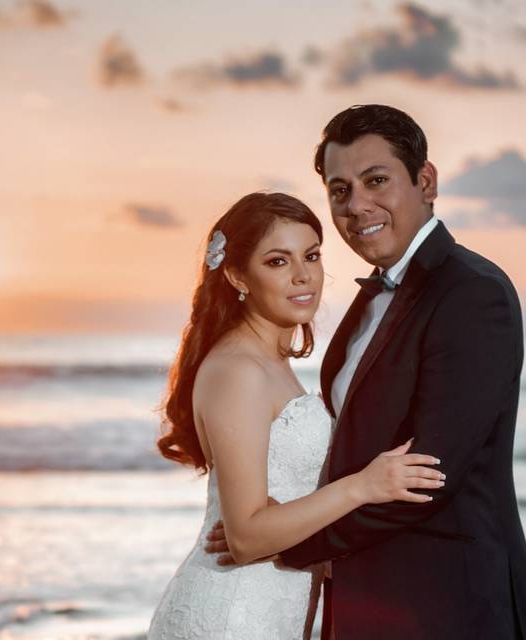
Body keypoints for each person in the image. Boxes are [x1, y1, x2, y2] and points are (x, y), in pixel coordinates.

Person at [205, 105, 526, 639]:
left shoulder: (471, 293)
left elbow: (428, 478)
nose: (357, 206)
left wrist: (283, 541)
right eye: (340, 191)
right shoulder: (367, 302)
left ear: (425, 181)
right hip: (364, 602)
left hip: (446, 606)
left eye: (376, 180)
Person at [147, 192, 444, 640]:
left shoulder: (271, 363)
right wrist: (365, 485)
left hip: (268, 613)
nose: (304, 276)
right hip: (231, 618)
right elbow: (246, 538)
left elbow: (274, 513)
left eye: (311, 255)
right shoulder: (238, 370)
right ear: (235, 275)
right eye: (277, 261)